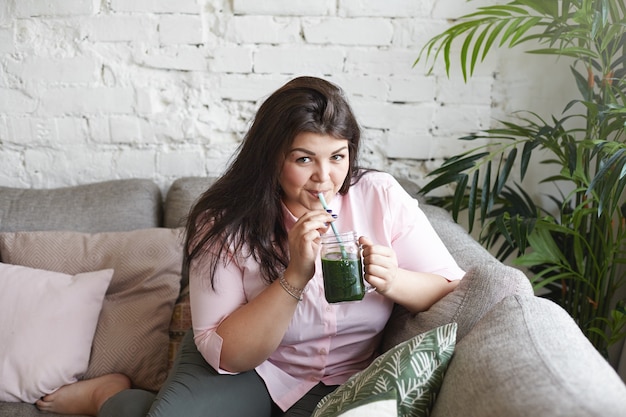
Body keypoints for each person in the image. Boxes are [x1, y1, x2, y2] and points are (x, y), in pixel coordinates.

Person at [35, 76, 465, 417]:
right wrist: (294, 276)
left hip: (342, 377)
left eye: (337, 156)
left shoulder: (378, 196)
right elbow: (230, 356)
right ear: (271, 159)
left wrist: (394, 280)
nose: (324, 178)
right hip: (248, 366)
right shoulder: (225, 220)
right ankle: (109, 397)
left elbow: (450, 287)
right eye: (303, 159)